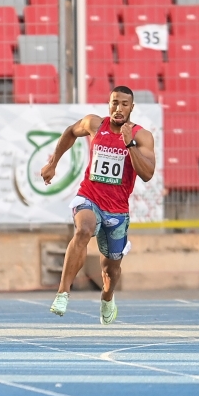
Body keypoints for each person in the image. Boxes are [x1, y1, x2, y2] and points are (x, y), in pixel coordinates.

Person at [41, 86, 156, 325]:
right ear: (109, 103)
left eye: (124, 104)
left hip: (117, 209)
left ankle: (107, 297)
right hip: (89, 196)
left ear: (132, 108)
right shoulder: (94, 124)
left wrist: (130, 145)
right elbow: (70, 132)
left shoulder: (142, 136)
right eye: (115, 102)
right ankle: (63, 293)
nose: (118, 108)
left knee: (110, 269)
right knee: (83, 230)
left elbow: (147, 174)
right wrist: (53, 163)